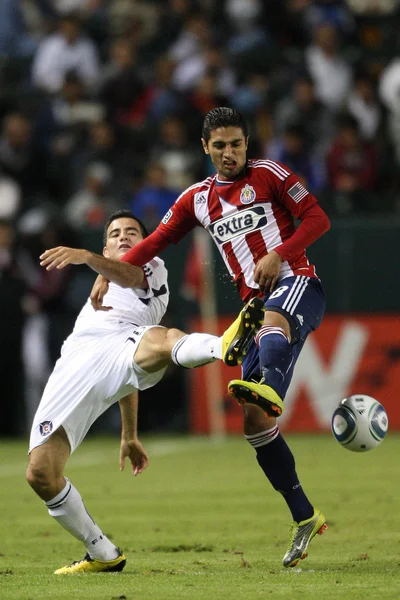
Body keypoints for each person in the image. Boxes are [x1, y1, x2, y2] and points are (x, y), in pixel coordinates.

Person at [90, 108, 331, 568]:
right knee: (254, 423)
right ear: (206, 148)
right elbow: (154, 242)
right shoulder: (196, 199)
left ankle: (271, 388)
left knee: (271, 326)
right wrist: (110, 273)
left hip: (297, 282)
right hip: (255, 304)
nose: (229, 153)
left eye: (237, 144)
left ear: (247, 143)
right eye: (220, 146)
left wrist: (279, 253)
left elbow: (318, 219)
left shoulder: (270, 174)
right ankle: (305, 516)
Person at [26, 209, 264, 575]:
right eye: (116, 233)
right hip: (75, 359)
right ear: (106, 245)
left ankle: (224, 345)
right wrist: (130, 433)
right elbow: (127, 380)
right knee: (40, 473)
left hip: (125, 339)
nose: (124, 237)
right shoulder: (104, 278)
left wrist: (88, 258)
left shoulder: (151, 266)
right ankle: (102, 553)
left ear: (146, 242)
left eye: (132, 233)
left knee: (163, 338)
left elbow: (131, 274)